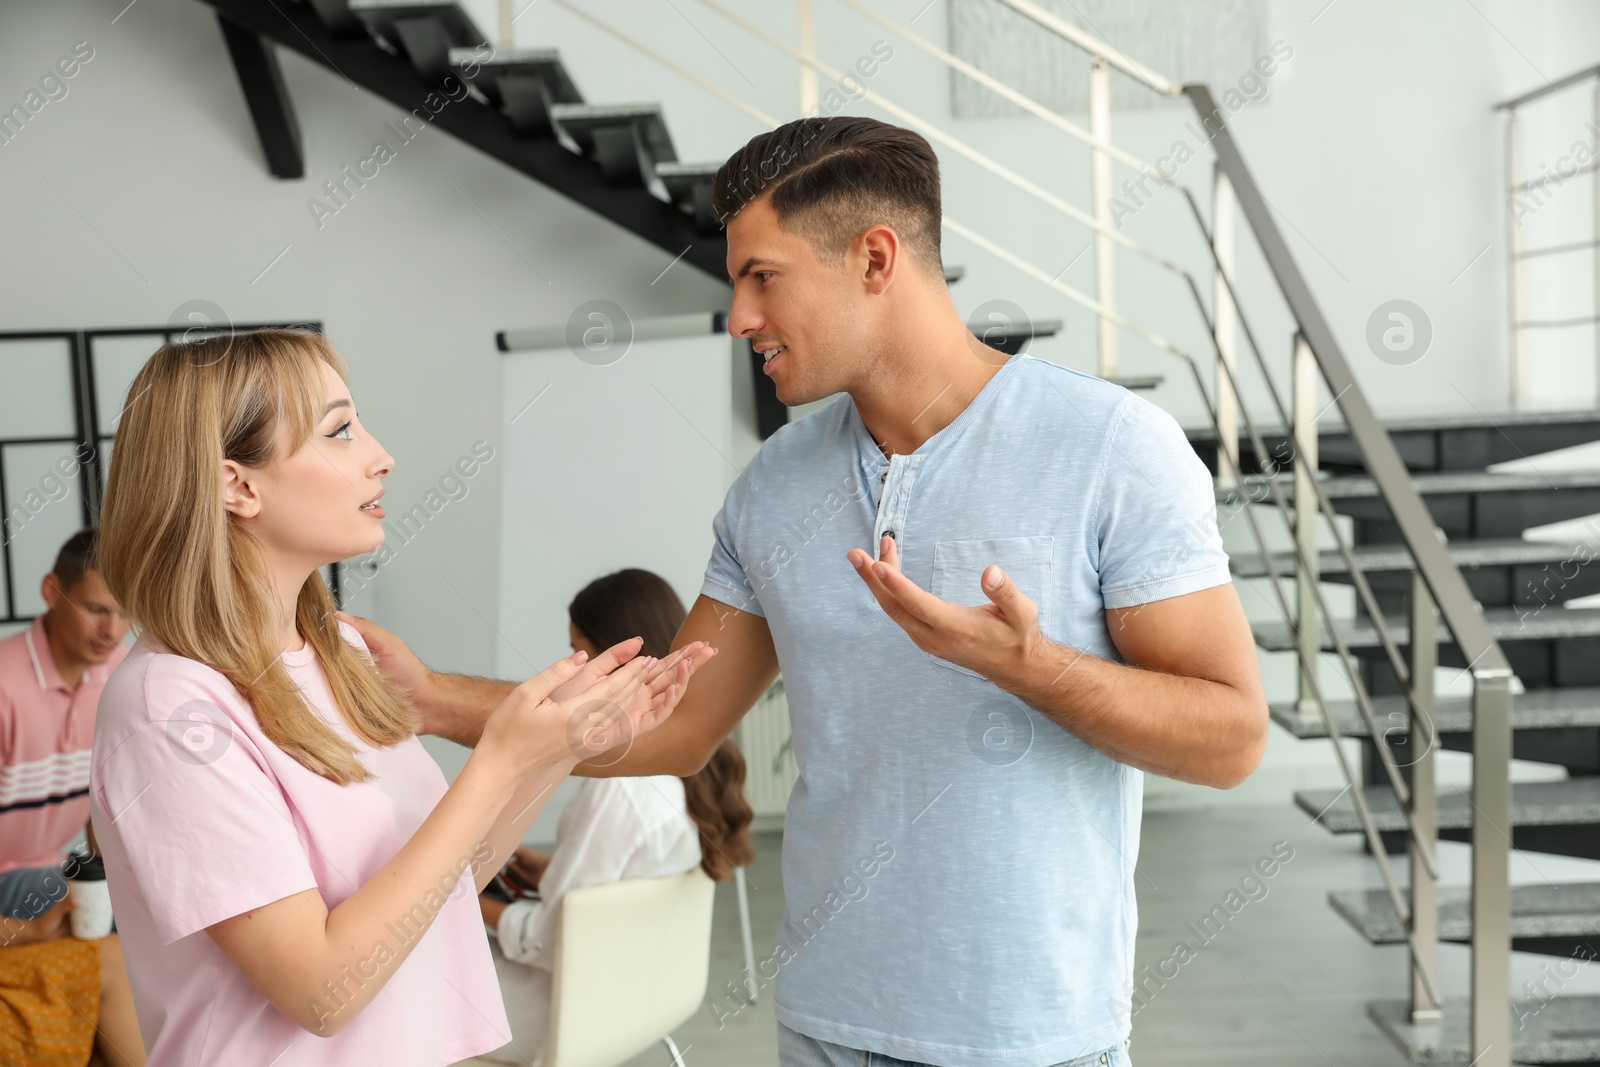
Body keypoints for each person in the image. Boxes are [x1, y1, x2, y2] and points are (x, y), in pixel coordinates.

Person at [346, 116, 1268, 1067]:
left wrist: (1032, 668)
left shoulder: (1113, 447)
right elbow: (673, 723)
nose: (740, 315)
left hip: (1031, 1036)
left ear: (875, 259)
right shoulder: (775, 487)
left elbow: (1232, 737)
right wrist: (430, 699)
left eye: (763, 276)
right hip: (827, 1024)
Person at [86, 329, 713, 1065]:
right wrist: (496, 758)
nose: (380, 454)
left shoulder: (339, 653)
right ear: (238, 485)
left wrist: (557, 748)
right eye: (340, 429)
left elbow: (447, 881)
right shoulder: (171, 708)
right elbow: (321, 989)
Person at [473, 568, 755, 1067]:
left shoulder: (620, 790)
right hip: (640, 1001)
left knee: (402, 976)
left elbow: (547, 940)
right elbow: (616, 886)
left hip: (558, 1013)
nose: (571, 671)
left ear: (620, 660)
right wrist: (547, 869)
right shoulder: (691, 770)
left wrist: (460, 905)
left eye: (582, 654)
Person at [0, 527, 145, 1067]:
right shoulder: (5, 686)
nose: (112, 630)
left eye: (125, 612)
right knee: (87, 910)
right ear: (50, 591)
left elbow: (108, 806)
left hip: (57, 871)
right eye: (94, 608)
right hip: (20, 880)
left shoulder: (121, 675)